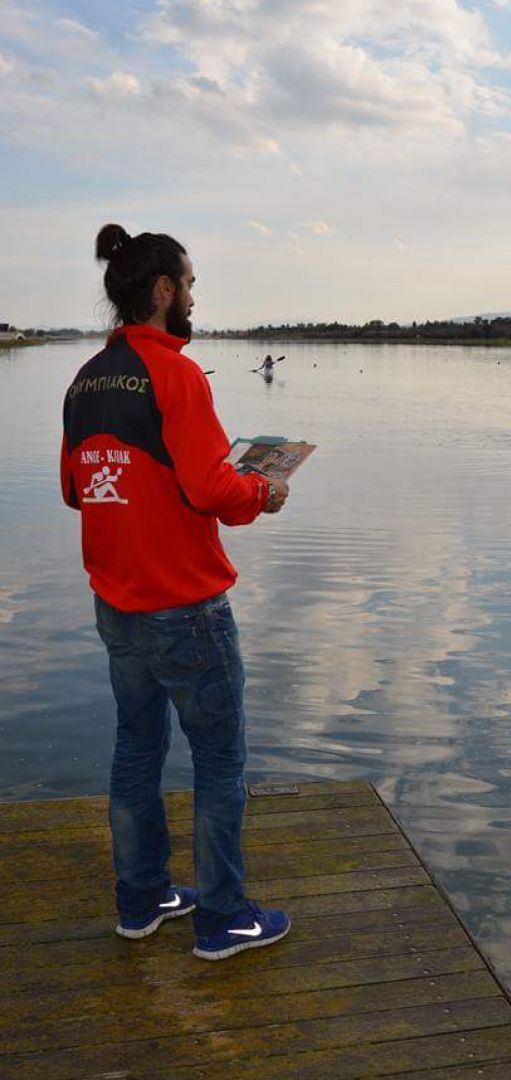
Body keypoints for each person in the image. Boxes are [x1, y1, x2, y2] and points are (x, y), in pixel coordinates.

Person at [61, 223, 291, 962]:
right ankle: (224, 918)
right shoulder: (178, 375)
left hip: (118, 604)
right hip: (186, 607)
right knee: (220, 762)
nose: (193, 297)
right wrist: (262, 489)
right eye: (188, 285)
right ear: (163, 291)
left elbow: (75, 490)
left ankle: (143, 897)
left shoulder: (86, 377)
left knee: (136, 748)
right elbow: (212, 491)